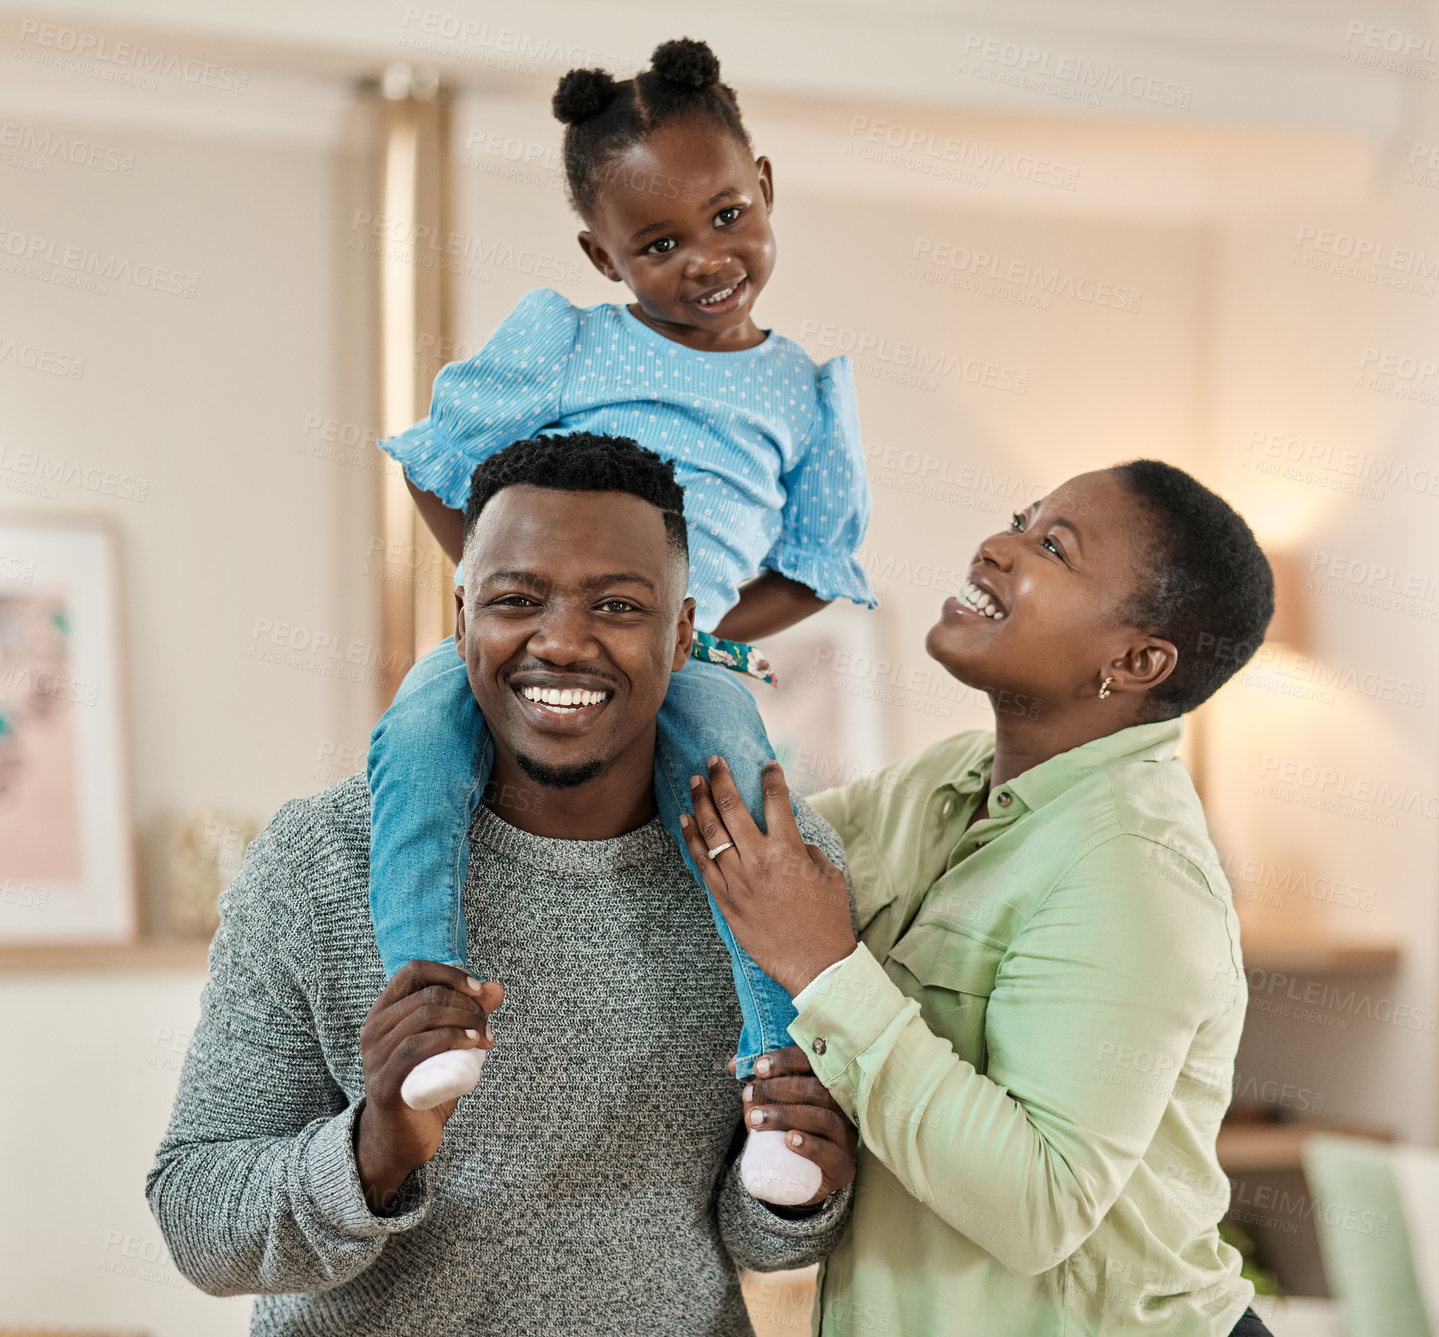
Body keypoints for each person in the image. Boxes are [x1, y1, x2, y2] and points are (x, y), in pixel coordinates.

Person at [147, 434, 859, 1336]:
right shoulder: (319, 859)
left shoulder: (781, 868)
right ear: (460, 621)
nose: (561, 641)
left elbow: (770, 1235)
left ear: (683, 634)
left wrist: (807, 1191)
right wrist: (374, 1150)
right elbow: (198, 1217)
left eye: (617, 603)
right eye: (517, 599)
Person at [370, 38, 873, 1202]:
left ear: (765, 186)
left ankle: (775, 1079)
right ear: (604, 253)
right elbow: (434, 465)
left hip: (676, 660)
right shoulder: (569, 343)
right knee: (416, 728)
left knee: (740, 790)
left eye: (727, 215)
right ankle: (429, 993)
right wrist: (517, 605)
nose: (706, 260)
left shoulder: (803, 391)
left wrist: (680, 629)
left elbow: (815, 566)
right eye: (658, 244)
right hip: (539, 641)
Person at [678, 461, 1280, 1335]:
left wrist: (821, 967)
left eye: (1052, 547)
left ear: (1137, 659)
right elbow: (745, 857)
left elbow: (1039, 1207)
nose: (996, 546)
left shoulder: (1134, 871)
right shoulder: (946, 779)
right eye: (1019, 519)